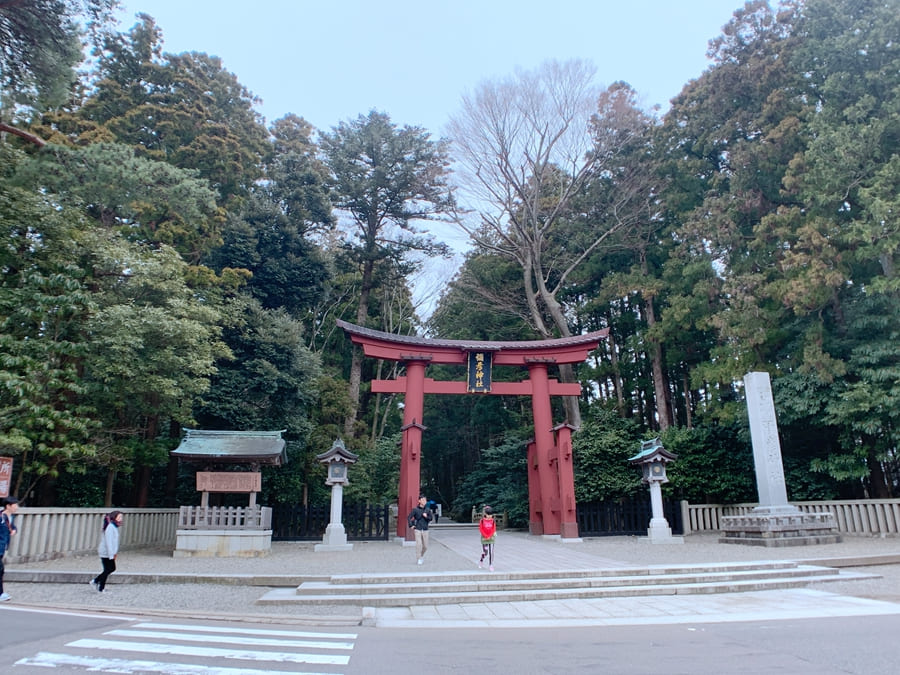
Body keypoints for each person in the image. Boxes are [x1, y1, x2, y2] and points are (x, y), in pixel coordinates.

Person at [91, 510, 123, 592]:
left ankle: (96, 581)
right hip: (106, 553)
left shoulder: (113, 527)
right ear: (114, 517)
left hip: (109, 553)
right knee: (109, 569)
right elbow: (109, 542)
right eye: (119, 517)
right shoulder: (110, 527)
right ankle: (99, 586)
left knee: (110, 569)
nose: (121, 519)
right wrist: (111, 555)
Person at [0, 496, 20, 602]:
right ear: (8, 506)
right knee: (0, 569)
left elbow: (12, 526)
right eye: (15, 505)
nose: (17, 507)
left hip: (2, 547)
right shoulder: (1, 517)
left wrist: (14, 530)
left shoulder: (9, 517)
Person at [407, 494, 432, 565]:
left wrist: (426, 517)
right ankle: (418, 558)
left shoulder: (427, 510)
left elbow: (431, 518)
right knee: (419, 544)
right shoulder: (415, 510)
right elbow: (409, 517)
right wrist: (411, 525)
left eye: (425, 500)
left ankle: (421, 555)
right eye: (423, 500)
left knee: (425, 546)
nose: (424, 501)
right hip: (417, 529)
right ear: (419, 501)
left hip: (425, 529)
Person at [478, 505, 496, 571]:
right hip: (484, 538)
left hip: (491, 538)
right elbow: (481, 529)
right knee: (485, 552)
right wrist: (486, 536)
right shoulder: (482, 521)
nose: (489, 516)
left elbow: (494, 529)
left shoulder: (493, 521)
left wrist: (490, 536)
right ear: (485, 514)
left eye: (491, 515)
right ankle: (481, 560)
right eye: (488, 515)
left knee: (491, 552)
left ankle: (491, 565)